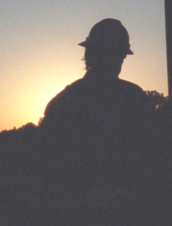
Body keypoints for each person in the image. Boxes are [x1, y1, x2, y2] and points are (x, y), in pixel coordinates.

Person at [37, 19, 153, 213]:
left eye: (117, 56)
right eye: (109, 55)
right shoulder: (64, 105)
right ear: (92, 55)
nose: (114, 62)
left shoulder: (135, 98)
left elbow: (151, 161)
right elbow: (48, 173)